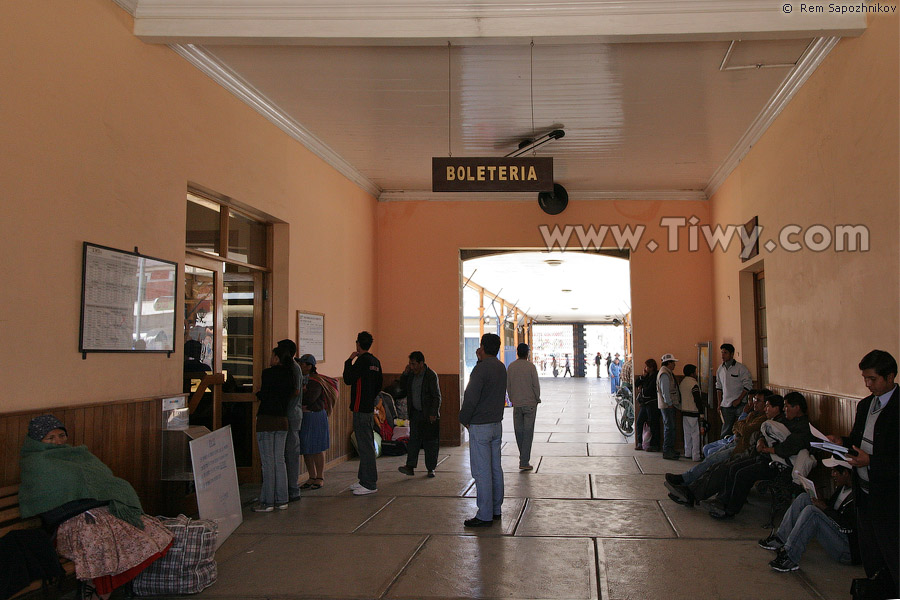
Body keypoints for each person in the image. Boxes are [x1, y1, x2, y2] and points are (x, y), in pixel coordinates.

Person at [19, 416, 174, 600]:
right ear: (37, 441)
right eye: (50, 438)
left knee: (149, 532)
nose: (58, 441)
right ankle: (99, 592)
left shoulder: (78, 455)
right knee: (99, 539)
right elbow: (48, 500)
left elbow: (103, 478)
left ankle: (96, 589)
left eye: (61, 435)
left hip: (98, 511)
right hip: (67, 522)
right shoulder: (36, 462)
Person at [827, 349, 898, 598]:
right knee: (872, 554)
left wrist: (872, 461)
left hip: (890, 498)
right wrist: (841, 442)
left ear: (890, 377)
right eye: (864, 379)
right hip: (865, 493)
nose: (868, 384)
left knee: (893, 554)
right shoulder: (866, 405)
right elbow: (858, 442)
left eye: (873, 379)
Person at [707, 392, 814, 519]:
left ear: (797, 407)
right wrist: (761, 441)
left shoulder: (803, 427)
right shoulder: (785, 420)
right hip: (765, 456)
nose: (785, 410)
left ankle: (730, 510)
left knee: (742, 474)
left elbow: (788, 448)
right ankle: (722, 501)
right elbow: (766, 434)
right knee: (733, 467)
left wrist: (767, 449)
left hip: (779, 466)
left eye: (787, 406)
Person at [665, 391, 769, 504]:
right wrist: (741, 429)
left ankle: (687, 484)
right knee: (711, 460)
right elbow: (736, 427)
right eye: (754, 400)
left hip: (741, 449)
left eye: (758, 401)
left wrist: (741, 429)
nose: (754, 403)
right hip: (735, 442)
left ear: (766, 404)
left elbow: (745, 430)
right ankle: (687, 485)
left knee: (714, 462)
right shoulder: (752, 414)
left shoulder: (763, 419)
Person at [760, 460, 858, 572]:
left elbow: (847, 526)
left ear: (845, 473)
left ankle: (790, 556)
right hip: (837, 534)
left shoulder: (857, 497)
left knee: (812, 512)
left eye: (835, 472)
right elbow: (834, 509)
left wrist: (825, 508)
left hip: (847, 550)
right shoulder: (842, 487)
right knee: (804, 498)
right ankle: (780, 538)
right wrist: (821, 501)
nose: (832, 475)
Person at [459, 333, 506, 527]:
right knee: (495, 468)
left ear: (483, 348)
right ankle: (495, 509)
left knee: (481, 471)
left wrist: (464, 418)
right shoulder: (501, 367)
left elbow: (471, 397)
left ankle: (484, 514)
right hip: (496, 424)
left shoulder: (481, 370)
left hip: (480, 426)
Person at [253, 344, 296, 512]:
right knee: (279, 460)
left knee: (268, 462)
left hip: (266, 420)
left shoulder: (268, 373)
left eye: (272, 356)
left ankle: (268, 502)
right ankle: (282, 499)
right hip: (282, 420)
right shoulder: (291, 374)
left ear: (277, 358)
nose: (270, 359)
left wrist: (258, 393)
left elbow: (266, 394)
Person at [343, 331, 383, 495]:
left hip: (360, 408)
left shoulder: (361, 361)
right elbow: (379, 384)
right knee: (365, 444)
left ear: (358, 344)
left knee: (365, 446)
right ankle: (363, 479)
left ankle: (369, 483)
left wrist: (348, 360)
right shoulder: (375, 361)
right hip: (368, 407)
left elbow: (347, 379)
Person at [397, 351, 442, 478]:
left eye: (413, 364)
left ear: (421, 363)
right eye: (410, 364)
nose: (411, 367)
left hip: (428, 415)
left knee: (430, 443)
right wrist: (405, 374)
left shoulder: (430, 375)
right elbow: (401, 388)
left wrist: (433, 413)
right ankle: (410, 466)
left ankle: (431, 468)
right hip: (415, 413)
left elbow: (436, 396)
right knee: (413, 441)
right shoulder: (410, 375)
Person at [296, 354, 332, 489]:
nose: (300, 367)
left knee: (317, 447)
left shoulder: (316, 381)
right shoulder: (303, 379)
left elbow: (309, 399)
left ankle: (320, 476)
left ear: (309, 366)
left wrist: (299, 395)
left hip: (315, 416)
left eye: (303, 364)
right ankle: (311, 476)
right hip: (305, 416)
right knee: (306, 448)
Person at [507, 343, 541, 471]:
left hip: (517, 404)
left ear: (517, 353)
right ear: (527, 353)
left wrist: (512, 399)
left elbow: (508, 386)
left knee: (519, 432)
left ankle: (523, 458)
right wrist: (537, 398)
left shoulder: (511, 367)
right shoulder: (531, 367)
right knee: (528, 433)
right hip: (530, 404)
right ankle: (524, 460)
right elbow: (535, 386)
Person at [277, 338, 303, 502]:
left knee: (291, 454)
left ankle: (293, 489)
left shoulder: (293, 368)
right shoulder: (289, 368)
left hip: (291, 414)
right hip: (289, 414)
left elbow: (295, 391)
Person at [715, 343, 753, 437]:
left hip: (740, 404)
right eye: (722, 353)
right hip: (726, 405)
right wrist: (719, 403)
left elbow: (748, 385)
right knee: (726, 429)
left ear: (732, 354)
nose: (723, 355)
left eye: (725, 353)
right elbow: (718, 387)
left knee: (739, 428)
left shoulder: (741, 368)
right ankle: (723, 447)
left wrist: (739, 399)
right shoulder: (720, 369)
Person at [657, 353, 680, 460]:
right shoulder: (665, 374)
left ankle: (670, 449)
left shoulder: (666, 372)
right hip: (667, 406)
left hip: (667, 405)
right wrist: (669, 403)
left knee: (670, 428)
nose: (674, 365)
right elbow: (665, 391)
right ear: (668, 363)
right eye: (673, 362)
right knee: (669, 428)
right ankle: (667, 450)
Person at [633, 359, 660, 451]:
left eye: (647, 367)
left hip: (652, 403)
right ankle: (640, 442)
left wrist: (642, 390)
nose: (645, 368)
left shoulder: (655, 376)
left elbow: (650, 390)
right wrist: (642, 376)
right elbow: (637, 383)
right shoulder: (647, 376)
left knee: (653, 423)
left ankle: (654, 444)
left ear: (652, 367)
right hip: (645, 404)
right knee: (639, 422)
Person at [679, 363, 704, 461]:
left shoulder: (682, 383)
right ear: (692, 373)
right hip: (693, 412)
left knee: (687, 434)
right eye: (695, 372)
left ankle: (688, 452)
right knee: (695, 434)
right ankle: (696, 456)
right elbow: (697, 399)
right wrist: (701, 412)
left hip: (684, 412)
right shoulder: (694, 384)